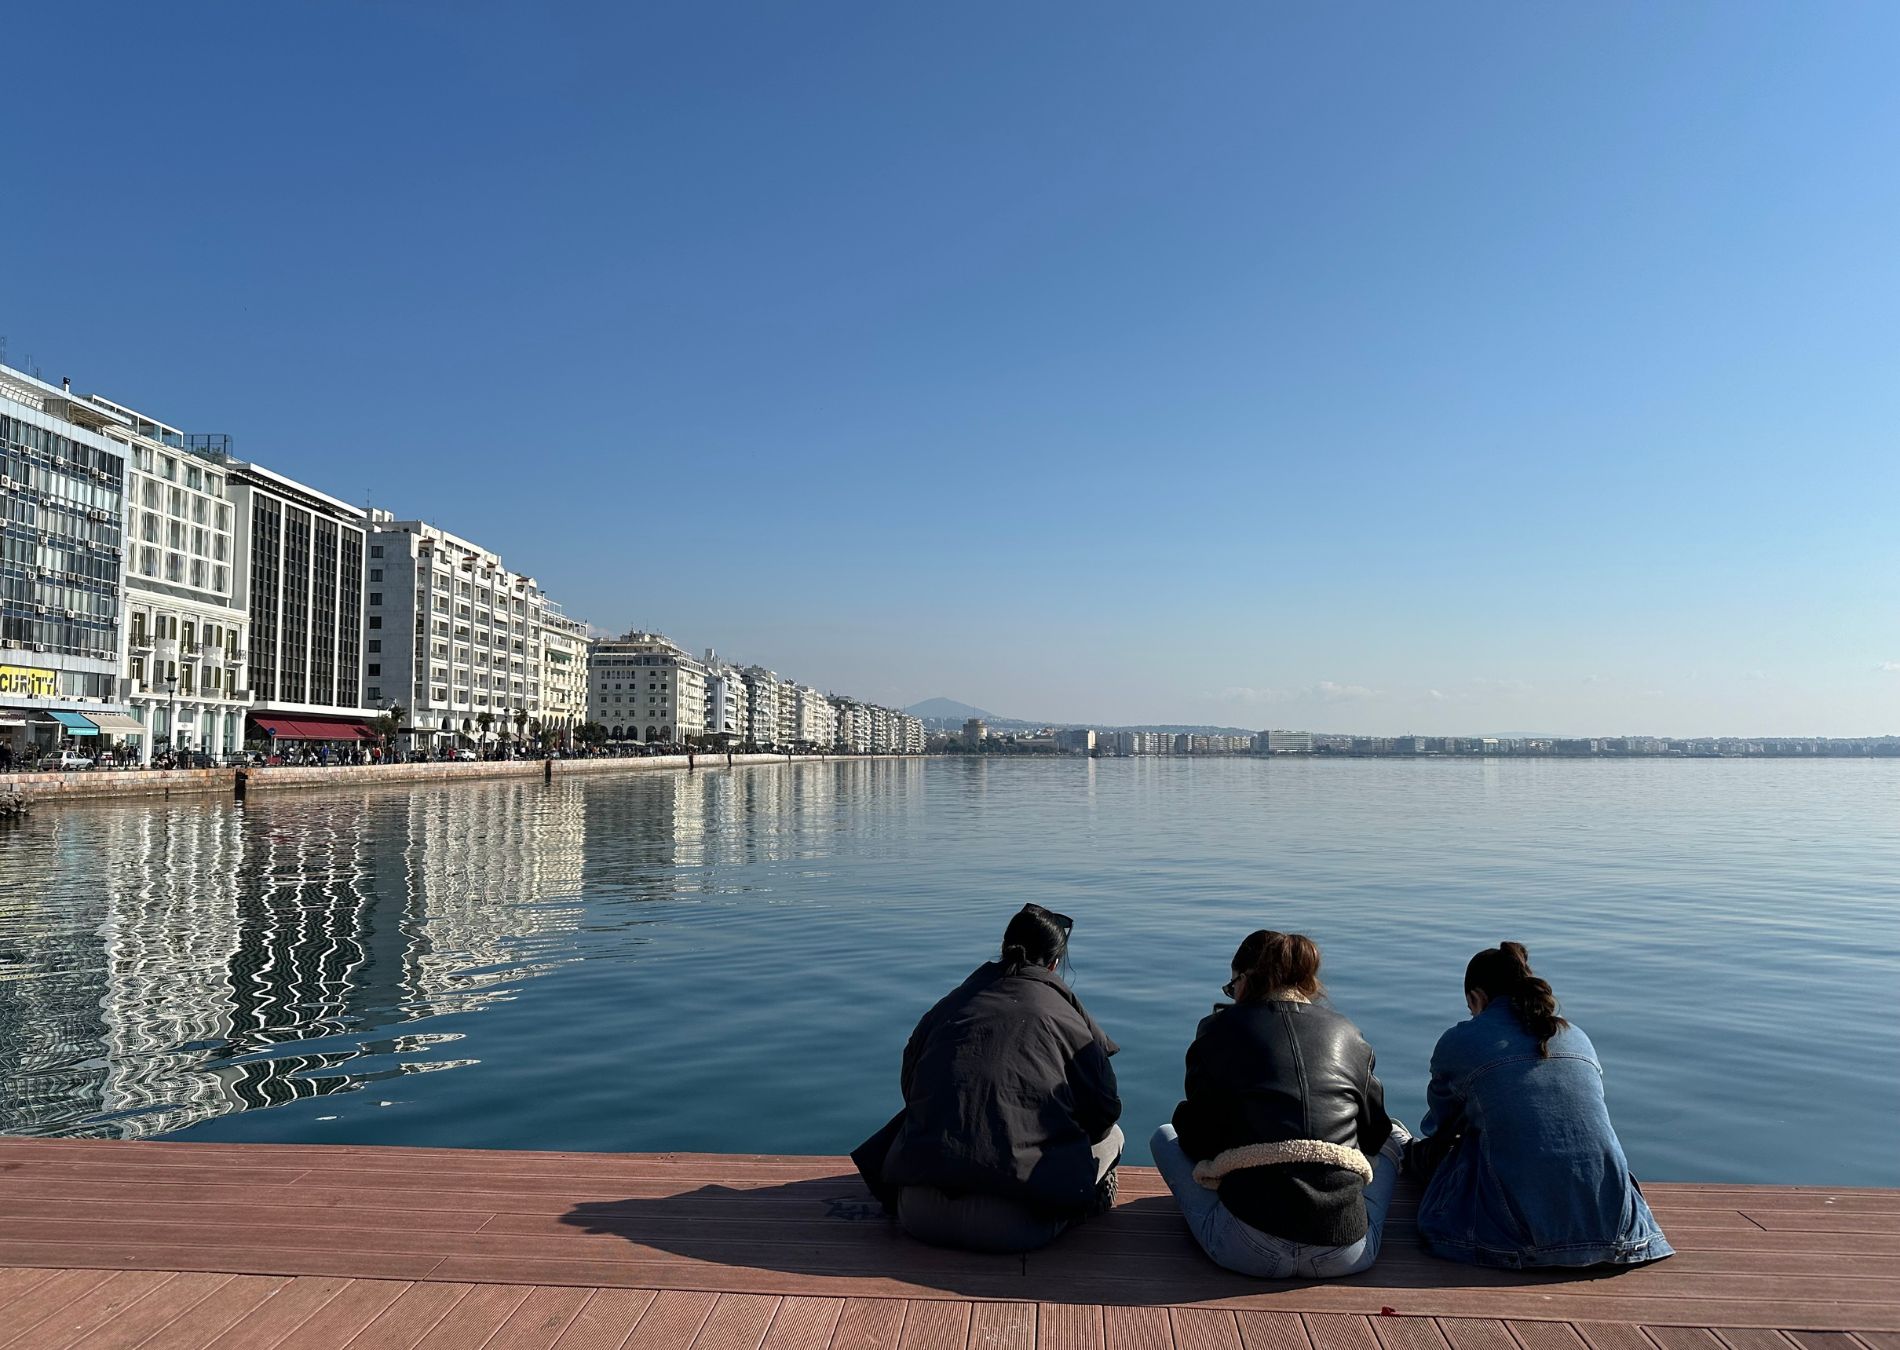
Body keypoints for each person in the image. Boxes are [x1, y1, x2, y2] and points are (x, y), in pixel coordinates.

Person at [852, 904, 1123, 1254]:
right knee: (1112, 1137)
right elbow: (1104, 1112)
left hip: (918, 1214)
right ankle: (1085, 1205)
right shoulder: (1064, 1015)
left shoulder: (950, 1005)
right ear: (1055, 964)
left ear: (1005, 948)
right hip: (1017, 1226)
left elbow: (911, 1089)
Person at [1152, 930, 1406, 1279]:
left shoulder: (1218, 1031)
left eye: (1231, 986)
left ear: (1246, 979)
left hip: (1247, 1247)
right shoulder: (1349, 1034)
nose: (1233, 994)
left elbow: (1197, 1140)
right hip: (1344, 1252)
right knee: (1396, 1137)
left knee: (1163, 1137)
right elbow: (1375, 1135)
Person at [1405, 942, 1673, 1269]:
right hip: (1617, 1230)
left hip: (1519, 1235)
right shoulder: (1575, 1034)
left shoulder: (1460, 1040)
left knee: (1427, 1157)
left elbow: (1441, 1126)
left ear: (1476, 998)